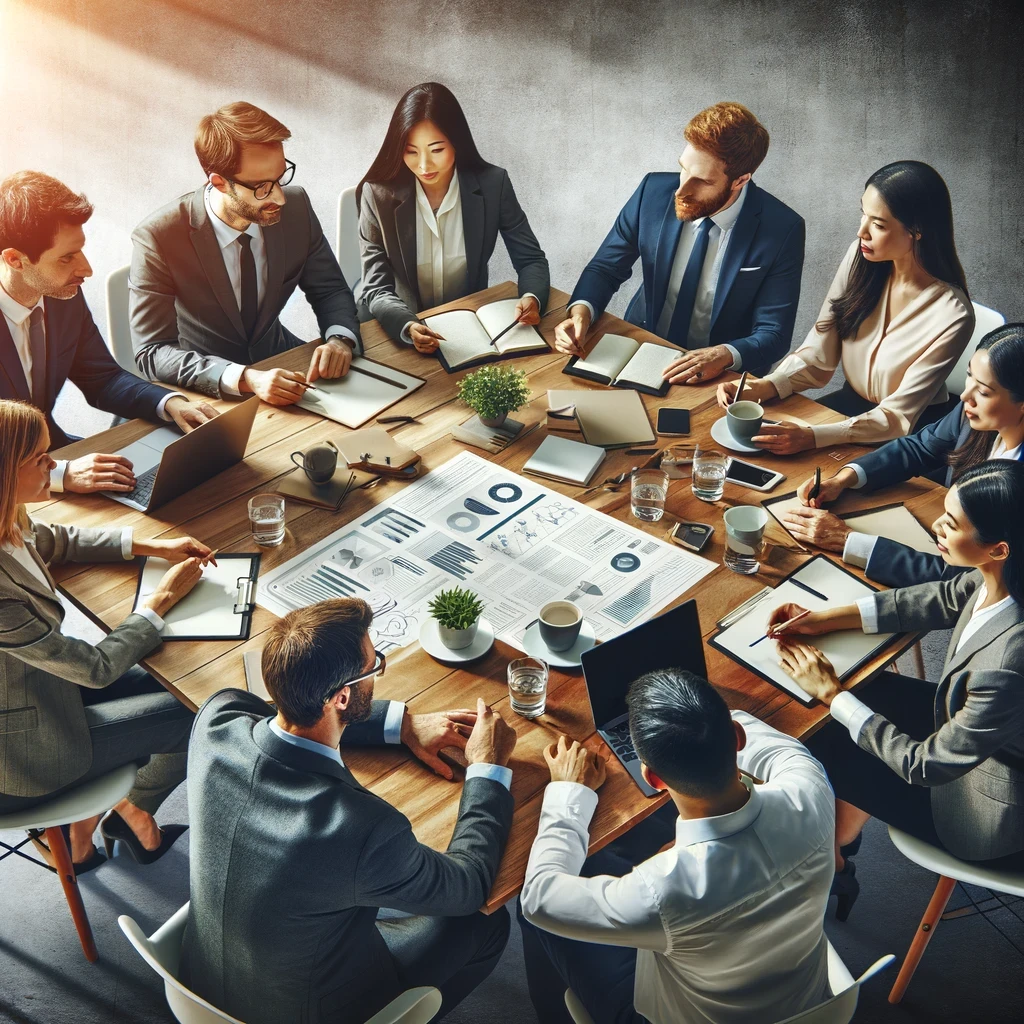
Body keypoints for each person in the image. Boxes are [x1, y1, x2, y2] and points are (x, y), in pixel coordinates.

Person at [181, 597, 518, 1024]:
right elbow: (467, 886)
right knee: (486, 923)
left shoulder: (217, 720)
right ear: (342, 697)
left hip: (201, 973)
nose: (378, 670)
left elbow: (283, 712)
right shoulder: (363, 829)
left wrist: (403, 725)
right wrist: (487, 769)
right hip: (310, 1011)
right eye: (374, 665)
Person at [770, 460, 1024, 920]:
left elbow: (924, 765)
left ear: (998, 547)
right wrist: (824, 618)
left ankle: (833, 862)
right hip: (967, 729)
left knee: (814, 740)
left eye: (951, 523)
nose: (937, 528)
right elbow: (940, 598)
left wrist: (833, 694)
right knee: (856, 698)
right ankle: (841, 838)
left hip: (979, 809)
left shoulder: (1008, 664)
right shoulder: (1004, 573)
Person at [518, 669, 835, 1024]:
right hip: (809, 1004)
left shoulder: (661, 891)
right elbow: (757, 735)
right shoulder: (811, 786)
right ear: (736, 737)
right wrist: (695, 712)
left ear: (651, 777)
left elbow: (539, 898)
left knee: (533, 913)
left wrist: (569, 790)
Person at [0, 400, 212, 870]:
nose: (54, 465)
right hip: (25, 750)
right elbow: (94, 669)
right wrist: (159, 601)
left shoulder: (7, 515)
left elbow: (50, 539)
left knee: (178, 682)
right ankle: (134, 812)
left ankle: (110, 822)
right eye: (39, 458)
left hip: (44, 687)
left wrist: (146, 543)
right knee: (199, 715)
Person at [718, 161, 975, 453]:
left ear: (917, 230)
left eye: (878, 224)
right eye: (863, 214)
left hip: (910, 436)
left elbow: (898, 416)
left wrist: (813, 436)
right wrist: (765, 386)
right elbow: (819, 352)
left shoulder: (953, 314)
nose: (861, 232)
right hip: (848, 409)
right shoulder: (861, 259)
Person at [554, 101, 805, 383]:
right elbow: (606, 268)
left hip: (718, 375)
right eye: (683, 169)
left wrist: (723, 354)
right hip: (642, 348)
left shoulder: (783, 228)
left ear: (740, 180)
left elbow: (774, 333)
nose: (682, 190)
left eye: (702, 181)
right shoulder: (652, 191)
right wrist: (581, 312)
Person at [0, 171, 217, 495]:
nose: (86, 269)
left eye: (81, 250)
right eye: (66, 258)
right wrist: (61, 475)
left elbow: (102, 377)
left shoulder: (61, 295)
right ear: (15, 259)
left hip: (53, 456)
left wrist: (169, 403)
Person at [130, 101, 361, 405]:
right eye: (263, 187)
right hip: (203, 385)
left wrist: (340, 339)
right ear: (220, 182)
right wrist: (246, 378)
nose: (279, 197)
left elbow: (329, 289)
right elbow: (152, 351)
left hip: (281, 361)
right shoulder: (158, 236)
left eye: (280, 178)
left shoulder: (297, 207)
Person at [780, 323, 1024, 587]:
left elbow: (964, 583)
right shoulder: (975, 415)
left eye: (984, 392)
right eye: (969, 377)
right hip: (941, 534)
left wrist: (849, 541)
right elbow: (918, 448)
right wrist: (844, 479)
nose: (966, 395)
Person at [358, 82, 550, 352]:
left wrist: (531, 297)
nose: (424, 165)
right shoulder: (377, 195)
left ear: (457, 143)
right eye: (411, 151)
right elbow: (376, 288)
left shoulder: (493, 184)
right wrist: (407, 325)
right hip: (399, 329)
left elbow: (531, 259)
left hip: (467, 328)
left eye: (436, 150)